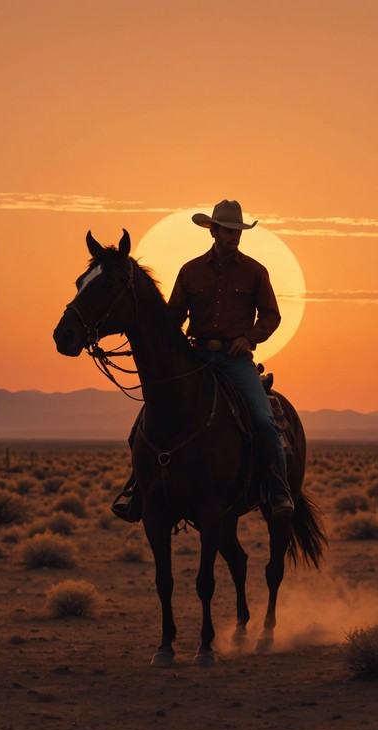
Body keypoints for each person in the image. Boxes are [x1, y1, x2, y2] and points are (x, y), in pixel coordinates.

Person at [112, 199, 294, 522]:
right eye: (227, 230)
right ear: (213, 230)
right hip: (196, 357)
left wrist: (248, 338)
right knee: (141, 427)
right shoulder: (190, 271)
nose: (234, 236)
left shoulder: (255, 272)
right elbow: (173, 318)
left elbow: (271, 315)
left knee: (265, 422)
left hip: (235, 360)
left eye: (238, 231)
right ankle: (138, 491)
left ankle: (278, 490)